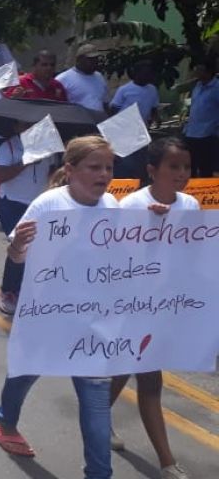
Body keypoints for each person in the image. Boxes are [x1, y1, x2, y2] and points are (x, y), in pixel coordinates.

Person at [0, 135, 119, 479]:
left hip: (92, 326)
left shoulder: (115, 208)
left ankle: (99, 473)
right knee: (24, 374)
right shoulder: (48, 205)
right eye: (94, 167)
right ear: (71, 169)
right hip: (46, 319)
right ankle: (5, 422)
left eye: (108, 167)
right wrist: (18, 245)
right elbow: (17, 255)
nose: (103, 174)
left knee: (96, 405)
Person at [110, 137, 196, 479]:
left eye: (186, 167)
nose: (182, 174)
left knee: (121, 370)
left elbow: (191, 254)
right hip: (133, 306)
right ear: (151, 170)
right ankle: (166, 462)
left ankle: (96, 420)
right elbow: (118, 260)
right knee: (149, 379)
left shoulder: (189, 204)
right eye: (173, 167)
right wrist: (154, 228)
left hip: (166, 307)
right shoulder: (132, 206)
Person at [0, 51, 65, 205]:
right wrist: (13, 98)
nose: (48, 68)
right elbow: (3, 109)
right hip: (18, 139)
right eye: (44, 64)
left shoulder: (58, 87)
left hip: (45, 137)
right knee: (1, 170)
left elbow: (63, 113)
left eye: (52, 65)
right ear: (34, 66)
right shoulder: (21, 83)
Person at [0, 122, 56, 315]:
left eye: (34, 124)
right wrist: (26, 161)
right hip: (11, 203)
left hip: (39, 204)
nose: (30, 127)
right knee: (21, 246)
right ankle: (9, 291)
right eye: (25, 125)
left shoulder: (48, 144)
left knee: (38, 248)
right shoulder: (8, 147)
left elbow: (52, 170)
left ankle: (27, 288)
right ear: (17, 127)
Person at [183, 59, 218, 178]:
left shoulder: (216, 88)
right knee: (189, 166)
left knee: (206, 168)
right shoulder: (197, 86)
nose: (197, 72)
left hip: (208, 134)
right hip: (192, 132)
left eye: (200, 70)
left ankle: (205, 194)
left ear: (209, 72)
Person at [56, 44, 107, 112]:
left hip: (99, 120)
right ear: (79, 59)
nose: (94, 62)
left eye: (96, 59)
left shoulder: (99, 77)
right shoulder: (63, 79)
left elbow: (105, 102)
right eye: (90, 59)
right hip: (76, 120)